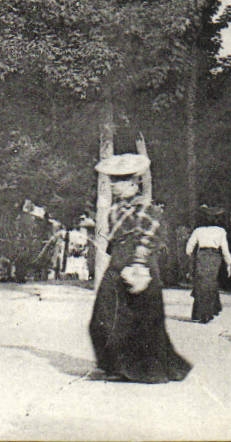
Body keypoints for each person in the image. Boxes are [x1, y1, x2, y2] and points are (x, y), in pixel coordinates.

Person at [86, 154, 191, 383]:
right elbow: (113, 241)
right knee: (104, 316)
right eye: (113, 180)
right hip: (117, 264)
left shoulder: (147, 208)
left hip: (139, 265)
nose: (114, 185)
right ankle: (114, 365)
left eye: (120, 181)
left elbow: (151, 236)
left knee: (143, 318)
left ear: (134, 183)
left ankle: (144, 370)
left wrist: (139, 265)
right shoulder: (114, 210)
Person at [184, 209, 231, 324]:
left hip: (201, 256)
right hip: (214, 257)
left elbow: (188, 248)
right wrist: (229, 262)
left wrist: (192, 256)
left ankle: (197, 313)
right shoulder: (221, 231)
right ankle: (208, 313)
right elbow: (225, 249)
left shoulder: (198, 230)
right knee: (211, 284)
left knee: (201, 283)